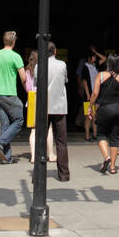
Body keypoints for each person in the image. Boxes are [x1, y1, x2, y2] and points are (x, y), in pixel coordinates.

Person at [91, 53, 119, 174]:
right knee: (115, 137)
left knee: (101, 134)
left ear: (108, 63)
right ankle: (113, 167)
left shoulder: (101, 76)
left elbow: (95, 94)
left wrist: (90, 106)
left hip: (105, 109)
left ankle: (106, 157)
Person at [0, 30, 26, 164]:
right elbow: (23, 77)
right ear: (14, 41)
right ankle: (0, 142)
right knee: (18, 120)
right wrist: (28, 90)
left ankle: (6, 157)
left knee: (5, 125)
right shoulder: (16, 56)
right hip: (10, 94)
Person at [24, 50, 55, 165]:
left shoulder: (28, 71)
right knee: (49, 128)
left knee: (33, 130)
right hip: (43, 99)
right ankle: (51, 154)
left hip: (32, 99)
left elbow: (27, 88)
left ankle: (33, 156)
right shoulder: (43, 69)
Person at [47, 44, 70, 181]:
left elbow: (37, 83)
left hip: (44, 106)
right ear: (55, 51)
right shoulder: (62, 65)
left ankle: (38, 174)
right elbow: (65, 80)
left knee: (41, 140)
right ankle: (64, 175)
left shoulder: (39, 65)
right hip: (59, 106)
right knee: (61, 142)